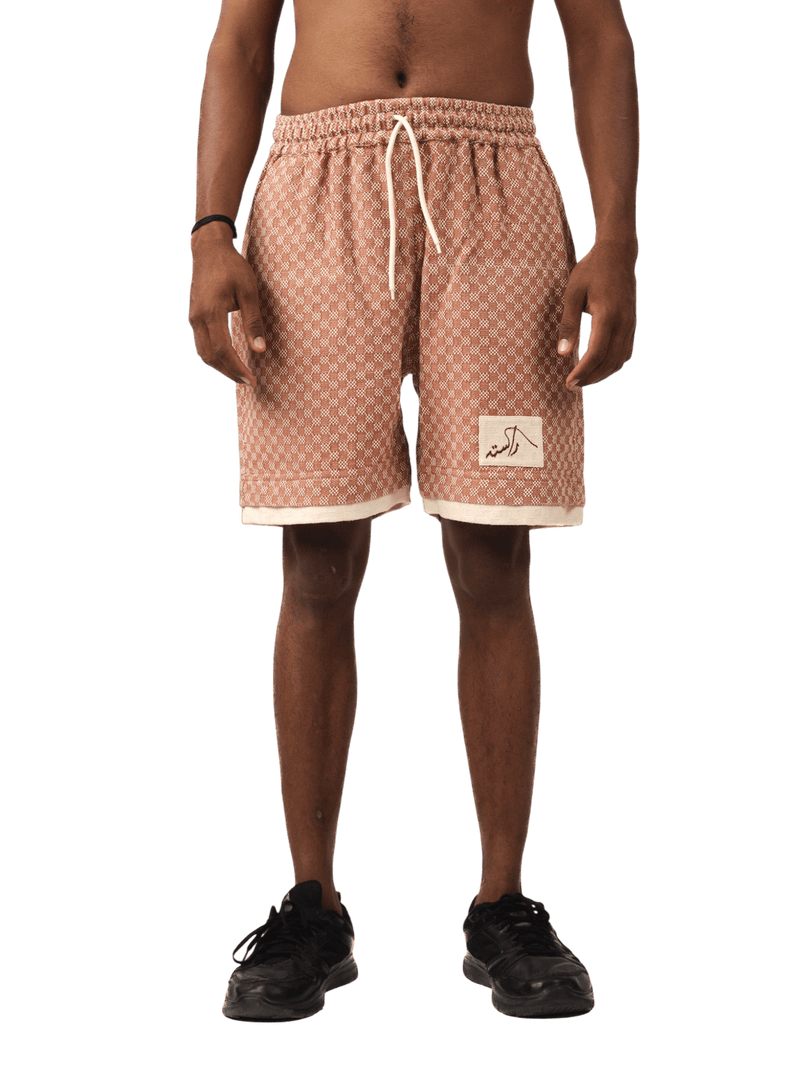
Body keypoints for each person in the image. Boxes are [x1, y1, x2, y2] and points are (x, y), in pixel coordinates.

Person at [188, 0, 639, 1024]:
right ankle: (313, 906)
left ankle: (502, 905)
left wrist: (616, 236)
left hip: (495, 189)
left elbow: (599, 35)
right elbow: (242, 39)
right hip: (315, 188)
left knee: (493, 557)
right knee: (315, 561)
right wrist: (211, 228)